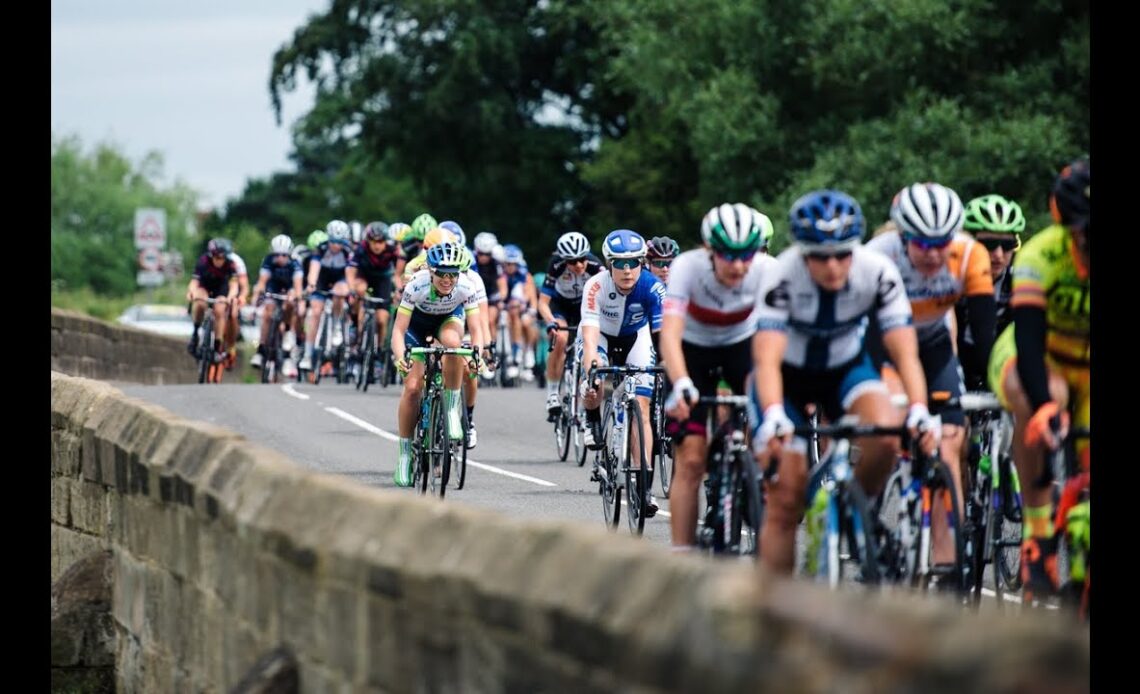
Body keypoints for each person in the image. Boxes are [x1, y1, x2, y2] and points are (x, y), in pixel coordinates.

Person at [747, 189, 938, 575]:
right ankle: (777, 610)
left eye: (842, 253)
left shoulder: (878, 272)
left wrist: (919, 408)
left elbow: (904, 353)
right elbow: (765, 360)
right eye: (819, 255)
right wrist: (771, 415)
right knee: (785, 498)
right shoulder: (781, 275)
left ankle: (853, 511)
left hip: (846, 370)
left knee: (886, 435)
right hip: (787, 379)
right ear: (802, 252)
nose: (832, 266)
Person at [865, 182, 995, 567]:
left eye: (943, 242)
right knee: (889, 431)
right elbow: (867, 331)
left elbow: (983, 331)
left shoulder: (971, 254)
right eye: (922, 244)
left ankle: (944, 562)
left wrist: (989, 385)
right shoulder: (877, 258)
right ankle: (868, 512)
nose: (935, 254)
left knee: (949, 444)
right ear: (902, 236)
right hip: (883, 345)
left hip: (935, 345)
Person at [986, 157, 1090, 604]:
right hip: (1034, 354)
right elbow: (1027, 336)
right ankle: (1038, 531)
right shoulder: (1039, 254)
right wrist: (1046, 405)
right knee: (1044, 397)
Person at [660, 203, 778, 551]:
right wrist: (680, 383)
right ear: (709, 249)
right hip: (692, 350)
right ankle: (682, 554)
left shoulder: (768, 270)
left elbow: (776, 337)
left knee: (771, 435)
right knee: (692, 459)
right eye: (729, 255)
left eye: (747, 255)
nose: (739, 265)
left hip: (741, 345)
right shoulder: (687, 268)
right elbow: (669, 335)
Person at [579, 229, 666, 516]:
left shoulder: (653, 288)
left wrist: (667, 365)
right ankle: (592, 418)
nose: (627, 270)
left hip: (635, 337)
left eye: (633, 263)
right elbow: (590, 338)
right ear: (609, 264)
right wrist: (592, 366)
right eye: (619, 263)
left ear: (642, 262)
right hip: (601, 336)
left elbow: (660, 336)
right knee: (596, 383)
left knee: (642, 405)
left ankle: (644, 486)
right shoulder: (595, 286)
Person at [390, 242, 484, 486]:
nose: (447, 279)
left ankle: (451, 409)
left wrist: (477, 355)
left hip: (448, 320)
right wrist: (401, 358)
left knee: (454, 344)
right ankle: (404, 455)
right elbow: (398, 331)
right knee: (412, 388)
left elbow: (476, 329)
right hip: (416, 327)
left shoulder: (466, 285)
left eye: (453, 274)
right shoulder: (416, 285)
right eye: (442, 273)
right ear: (431, 271)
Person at [954, 194, 1025, 389]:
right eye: (989, 244)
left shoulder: (1020, 279)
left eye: (1008, 245)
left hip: (1001, 358)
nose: (999, 255)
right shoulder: (949, 278)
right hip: (955, 356)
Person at [538, 231, 604, 417]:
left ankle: (583, 388)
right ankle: (552, 393)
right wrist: (551, 322)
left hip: (585, 307)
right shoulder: (556, 265)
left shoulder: (595, 265)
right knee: (560, 338)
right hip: (561, 305)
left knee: (589, 342)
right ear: (564, 260)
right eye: (572, 261)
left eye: (582, 259)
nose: (579, 265)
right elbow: (542, 303)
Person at [249, 234, 304, 377]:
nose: (281, 258)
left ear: (289, 254)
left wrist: (298, 297)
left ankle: (287, 334)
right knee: (267, 312)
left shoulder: (295, 263)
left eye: (284, 255)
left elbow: (298, 286)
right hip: (273, 288)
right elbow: (262, 282)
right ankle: (261, 350)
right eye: (277, 254)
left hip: (289, 288)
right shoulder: (268, 261)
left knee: (290, 302)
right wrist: (256, 296)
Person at [185, 238, 240, 364]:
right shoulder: (203, 261)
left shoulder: (231, 264)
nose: (219, 261)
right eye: (216, 257)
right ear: (211, 255)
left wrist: (230, 297)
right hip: (205, 286)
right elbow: (195, 281)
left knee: (220, 310)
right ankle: (195, 332)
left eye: (222, 258)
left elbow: (234, 285)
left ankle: (217, 345)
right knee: (200, 302)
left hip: (221, 288)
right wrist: (192, 292)